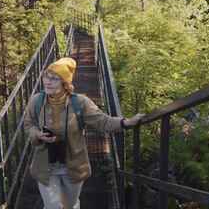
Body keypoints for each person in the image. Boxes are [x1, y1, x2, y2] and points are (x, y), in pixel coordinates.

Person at [23, 57, 144, 209]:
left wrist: (126, 122)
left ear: (65, 83)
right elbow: (28, 124)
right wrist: (37, 134)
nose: (47, 81)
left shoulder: (80, 103)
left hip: (73, 165)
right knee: (53, 206)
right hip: (45, 165)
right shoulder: (37, 101)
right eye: (46, 76)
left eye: (54, 78)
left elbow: (103, 121)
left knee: (71, 204)